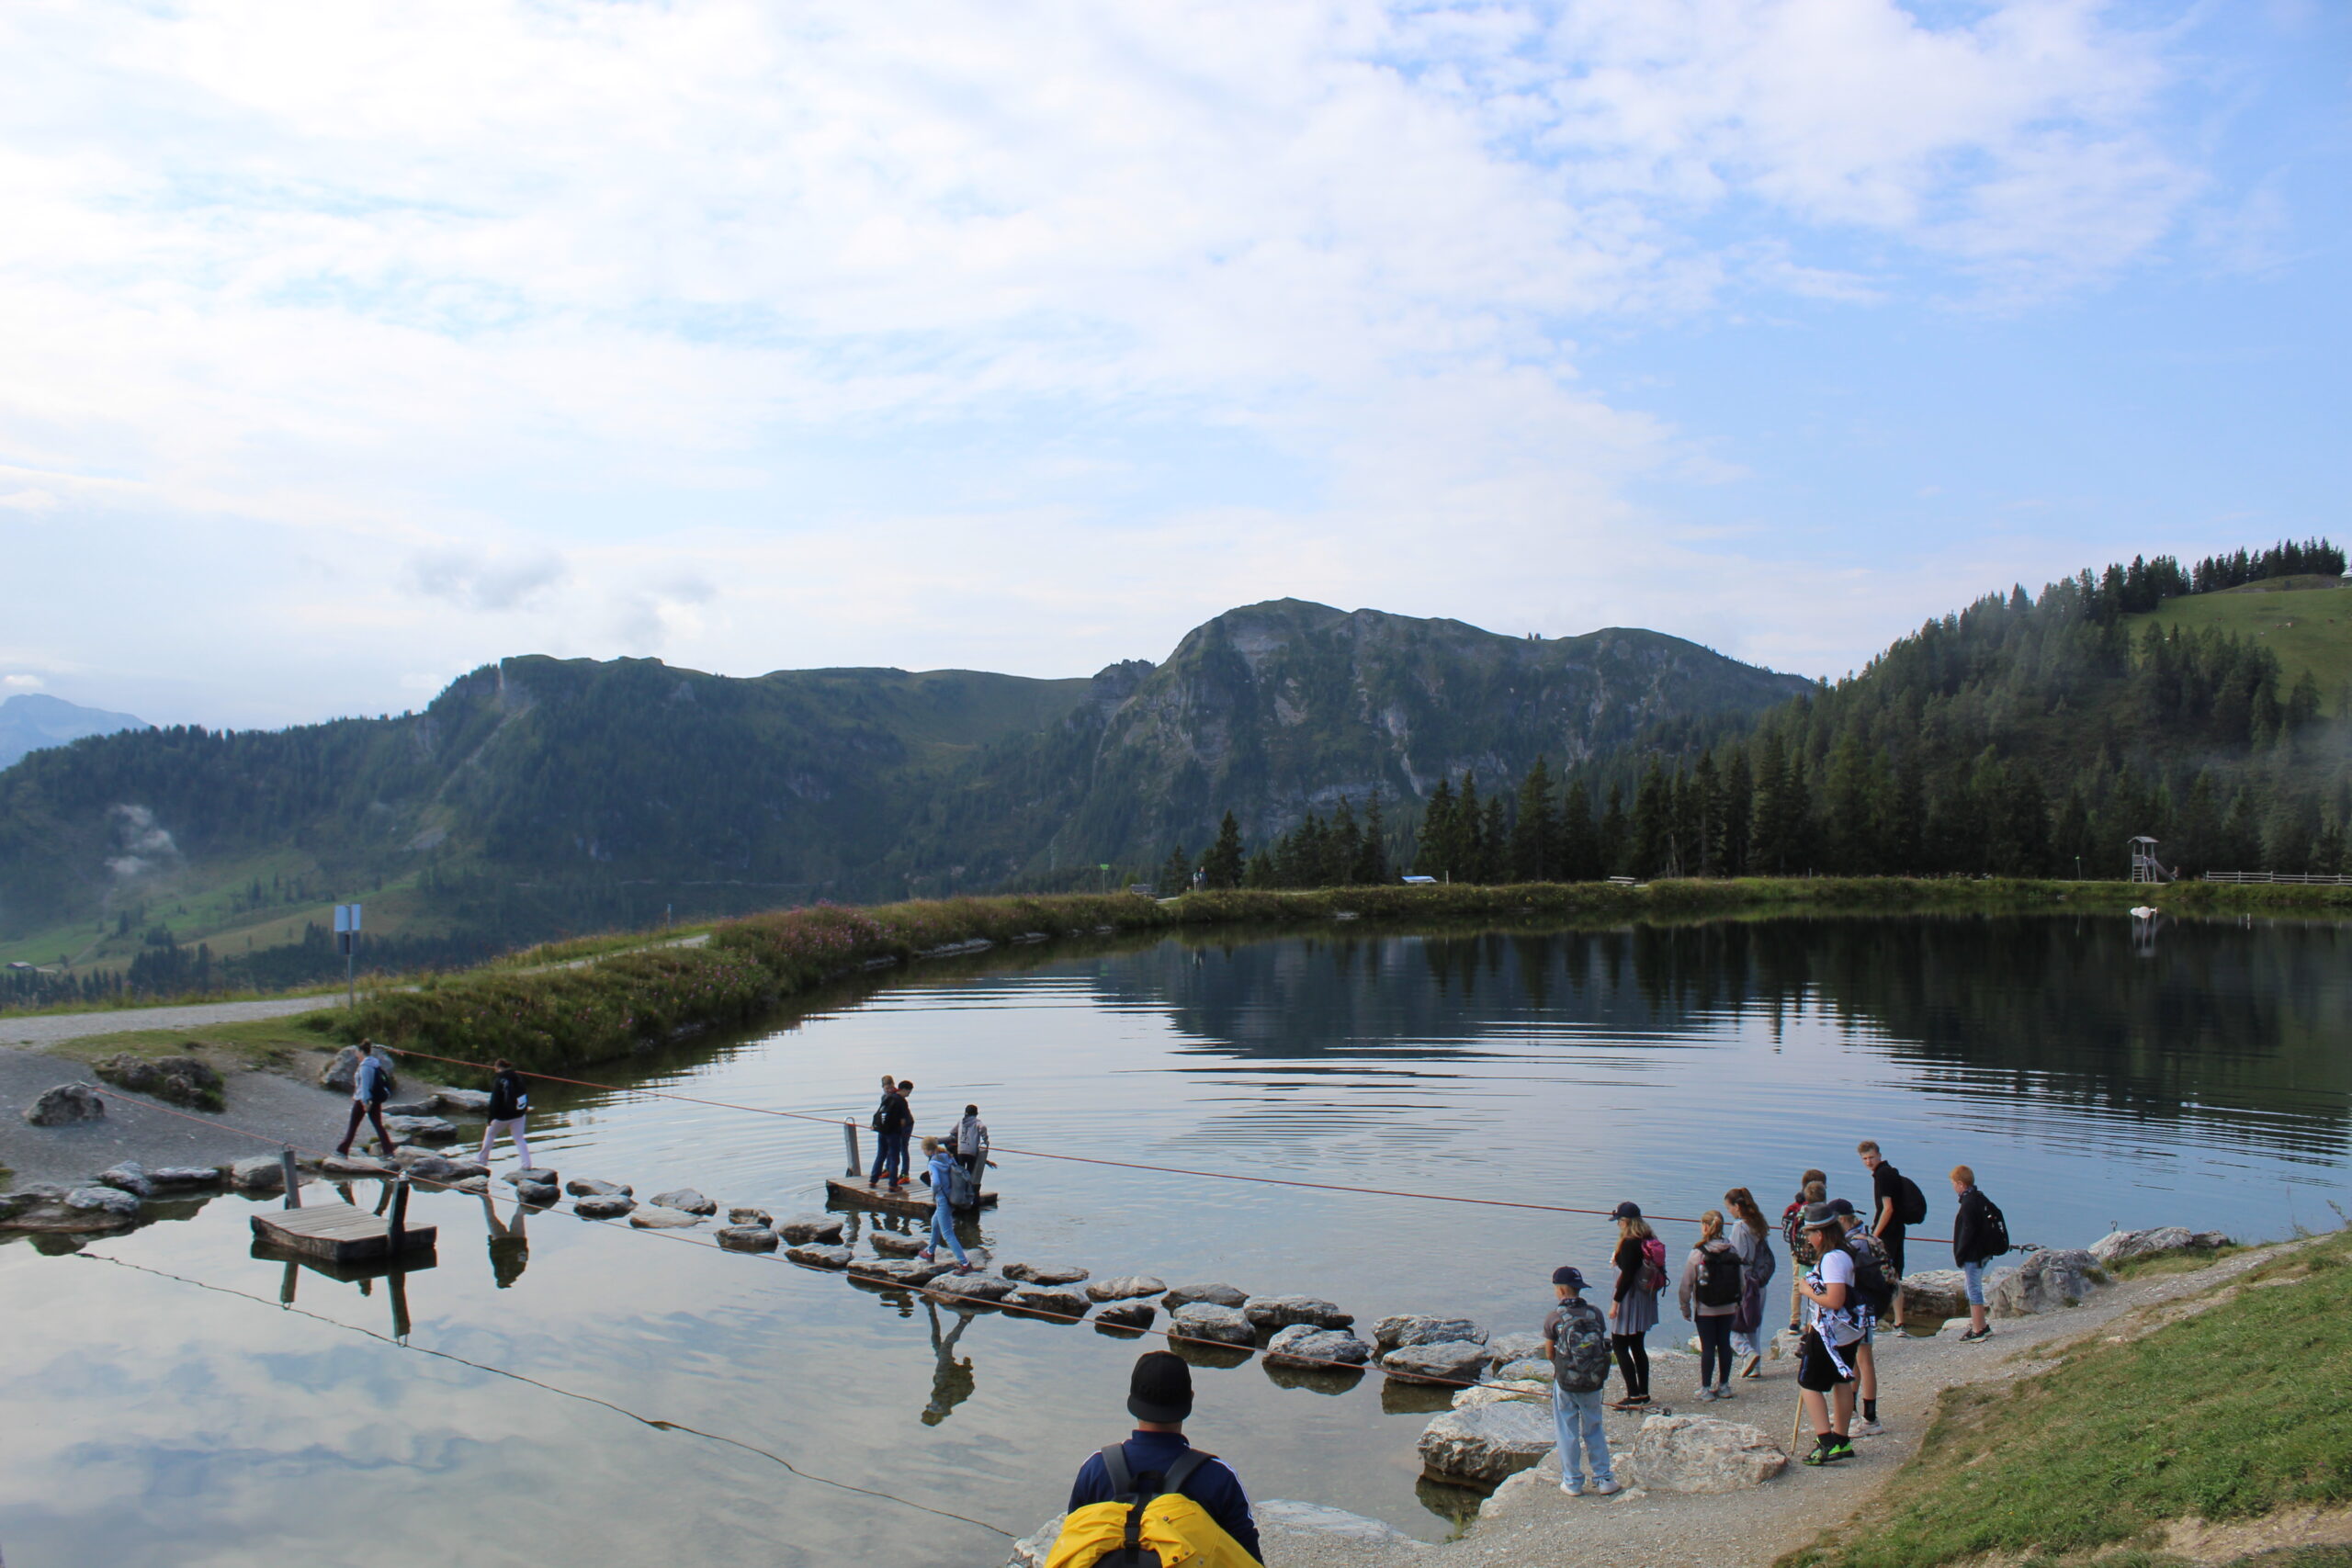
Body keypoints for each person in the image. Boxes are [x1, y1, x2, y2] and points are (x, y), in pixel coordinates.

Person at [1061, 1351, 1261, 1564]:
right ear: (1190, 1399)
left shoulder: (1095, 1467)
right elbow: (1248, 1558)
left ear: (1132, 1401)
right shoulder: (1219, 1476)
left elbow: (1073, 1540)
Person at [1792, 1202, 1861, 1466]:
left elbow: (1834, 1299)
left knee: (1808, 1384)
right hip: (1846, 1331)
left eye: (1809, 1234)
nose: (1808, 1240)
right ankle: (1841, 1440)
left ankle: (1826, 1441)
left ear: (1819, 1234)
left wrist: (1806, 1290)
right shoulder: (1845, 1252)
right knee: (1841, 1382)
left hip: (1829, 1332)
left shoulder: (1831, 1259)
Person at [1541, 1266, 1619, 1495]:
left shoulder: (1554, 1318)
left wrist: (1564, 1371)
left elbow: (1549, 1353)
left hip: (1566, 1381)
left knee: (1567, 1430)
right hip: (1594, 1381)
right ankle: (1604, 1478)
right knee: (1594, 1427)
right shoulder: (1594, 1313)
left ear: (1561, 1290)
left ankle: (1573, 1481)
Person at [1832, 1198, 1894, 1436]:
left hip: (1862, 1309)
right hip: (1869, 1306)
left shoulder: (1854, 1245)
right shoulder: (1869, 1237)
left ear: (1841, 1220)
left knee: (1864, 1360)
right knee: (1857, 1360)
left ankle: (1870, 1419)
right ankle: (1854, 1411)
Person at [1679, 1209, 1743, 1401]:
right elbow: (1742, 1282)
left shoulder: (1697, 1254)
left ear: (1705, 1227)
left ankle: (1705, 1388)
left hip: (1705, 1308)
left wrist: (1685, 1306)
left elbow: (1686, 1285)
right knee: (1724, 1344)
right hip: (1728, 1306)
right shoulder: (1732, 1250)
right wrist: (1738, 1302)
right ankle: (1724, 1386)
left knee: (1708, 1347)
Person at [1607, 1201, 1664, 1409]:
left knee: (1619, 1344)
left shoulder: (1630, 1243)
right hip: (1643, 1299)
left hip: (1629, 1299)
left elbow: (1627, 1276)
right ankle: (1644, 1393)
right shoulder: (1648, 1237)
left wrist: (1615, 1303)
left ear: (1626, 1221)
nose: (1618, 1225)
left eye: (1619, 1221)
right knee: (1638, 1345)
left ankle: (1633, 1394)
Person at [1723, 1186, 1777, 1378]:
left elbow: (1738, 1255)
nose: (1728, 1211)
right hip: (1759, 1280)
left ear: (1737, 1206)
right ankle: (1755, 1366)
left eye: (1729, 1207)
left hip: (1744, 1279)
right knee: (1753, 1322)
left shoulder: (1739, 1227)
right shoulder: (1757, 1223)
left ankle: (1747, 1353)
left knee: (1732, 1322)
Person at [1950, 1164, 2005, 1342]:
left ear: (1960, 1184)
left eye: (1953, 1183)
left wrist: (1960, 1255)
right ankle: (1980, 1325)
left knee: (1973, 1290)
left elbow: (1967, 1232)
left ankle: (1979, 1329)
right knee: (1971, 1288)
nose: (1953, 1187)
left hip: (1973, 1254)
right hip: (1983, 1251)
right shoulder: (1980, 1198)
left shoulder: (1968, 1204)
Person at [1859, 1139, 1909, 1324]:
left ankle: (1885, 1318)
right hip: (1897, 1229)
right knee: (1894, 1275)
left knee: (1882, 1275)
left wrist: (1875, 1235)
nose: (1868, 1162)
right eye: (1864, 1159)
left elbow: (1888, 1208)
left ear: (1879, 1155)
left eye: (1871, 1157)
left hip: (1889, 1233)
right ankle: (1898, 1321)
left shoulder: (1882, 1175)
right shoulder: (1890, 1172)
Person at [915, 1135, 971, 1271]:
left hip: (943, 1199)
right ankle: (930, 1252)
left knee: (947, 1234)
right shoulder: (948, 1157)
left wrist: (934, 1193)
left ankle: (965, 1263)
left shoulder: (933, 1163)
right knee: (935, 1224)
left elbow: (935, 1183)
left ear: (927, 1150)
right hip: (953, 1195)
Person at [334, 1040, 399, 1157]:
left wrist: (364, 1102)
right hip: (373, 1100)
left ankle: (342, 1151)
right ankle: (388, 1152)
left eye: (357, 1052)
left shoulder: (365, 1067)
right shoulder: (374, 1064)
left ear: (361, 1052)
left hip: (364, 1101)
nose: (356, 1055)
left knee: (353, 1127)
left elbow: (365, 1085)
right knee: (378, 1125)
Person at [1781, 1169, 1827, 1331]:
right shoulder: (1820, 1210)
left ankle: (1794, 1321)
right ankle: (1814, 1321)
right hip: (1816, 1253)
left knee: (1797, 1284)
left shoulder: (1795, 1207)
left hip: (1797, 1252)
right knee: (1818, 1285)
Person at [479, 1058, 532, 1169]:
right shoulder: (518, 1077)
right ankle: (527, 1164)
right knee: (519, 1139)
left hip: (502, 1117)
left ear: (497, 1068)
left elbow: (495, 1101)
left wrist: (490, 1118)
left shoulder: (499, 1080)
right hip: (519, 1115)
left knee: (490, 1135)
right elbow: (524, 1094)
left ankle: (482, 1160)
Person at [869, 1076, 912, 1189]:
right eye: (886, 1088)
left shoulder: (887, 1098)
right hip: (893, 1132)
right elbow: (903, 1121)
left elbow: (879, 1114)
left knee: (881, 1154)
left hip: (883, 1130)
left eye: (890, 1087)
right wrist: (899, 1132)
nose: (889, 1089)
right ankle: (893, 1184)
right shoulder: (900, 1100)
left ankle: (873, 1179)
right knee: (895, 1157)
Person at [953, 1102, 990, 1207]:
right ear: (976, 1113)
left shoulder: (961, 1121)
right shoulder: (977, 1122)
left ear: (965, 1113)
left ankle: (959, 1191)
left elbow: (952, 1131)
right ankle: (968, 1193)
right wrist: (985, 1139)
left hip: (960, 1150)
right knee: (969, 1172)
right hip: (971, 1152)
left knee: (960, 1171)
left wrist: (958, 1139)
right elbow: (983, 1128)